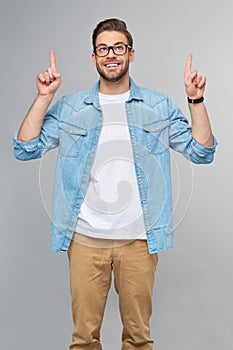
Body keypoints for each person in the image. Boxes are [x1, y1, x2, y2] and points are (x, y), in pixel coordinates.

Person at [14, 18, 217, 350]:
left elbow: (202, 152)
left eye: (118, 47)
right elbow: (25, 148)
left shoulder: (158, 106)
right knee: (83, 340)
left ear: (131, 54)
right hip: (85, 241)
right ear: (93, 57)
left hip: (138, 241)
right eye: (103, 48)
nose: (111, 54)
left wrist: (196, 100)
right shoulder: (70, 108)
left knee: (138, 340)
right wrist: (43, 97)